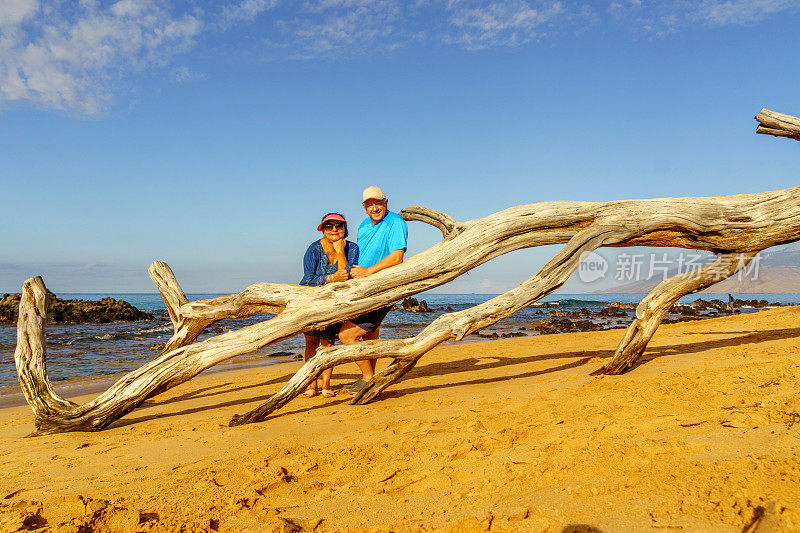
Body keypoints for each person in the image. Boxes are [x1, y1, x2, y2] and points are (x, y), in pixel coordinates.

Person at [339, 186, 408, 393]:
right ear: (364, 207)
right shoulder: (363, 226)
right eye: (369, 204)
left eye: (378, 203)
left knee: (346, 336)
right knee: (370, 336)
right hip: (362, 287)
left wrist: (369, 272)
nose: (374, 207)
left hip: (381, 288)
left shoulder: (395, 222)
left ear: (386, 202)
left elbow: (397, 256)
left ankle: (368, 379)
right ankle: (369, 378)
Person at [299, 213, 359, 397]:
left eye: (338, 226)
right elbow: (307, 281)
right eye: (329, 226)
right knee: (311, 342)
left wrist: (340, 252)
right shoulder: (314, 249)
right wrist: (330, 278)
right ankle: (311, 386)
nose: (334, 229)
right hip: (313, 302)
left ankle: (325, 385)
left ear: (344, 229)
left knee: (328, 343)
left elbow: (349, 277)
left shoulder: (352, 248)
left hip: (336, 305)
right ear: (322, 229)